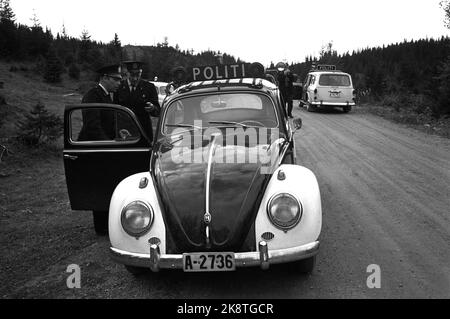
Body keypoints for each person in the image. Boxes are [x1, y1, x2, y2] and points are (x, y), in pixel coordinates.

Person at [114, 61, 161, 141]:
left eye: (137, 74)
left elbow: (157, 111)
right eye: (132, 75)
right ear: (127, 73)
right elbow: (114, 110)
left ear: (141, 73)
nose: (135, 78)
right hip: (124, 131)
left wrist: (152, 108)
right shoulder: (119, 87)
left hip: (143, 131)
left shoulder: (149, 87)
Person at [78, 64, 122, 141]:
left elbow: (108, 122)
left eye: (119, 80)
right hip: (91, 147)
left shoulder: (106, 95)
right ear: (105, 78)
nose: (119, 83)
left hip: (101, 145)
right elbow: (93, 127)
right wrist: (108, 144)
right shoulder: (92, 96)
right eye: (116, 79)